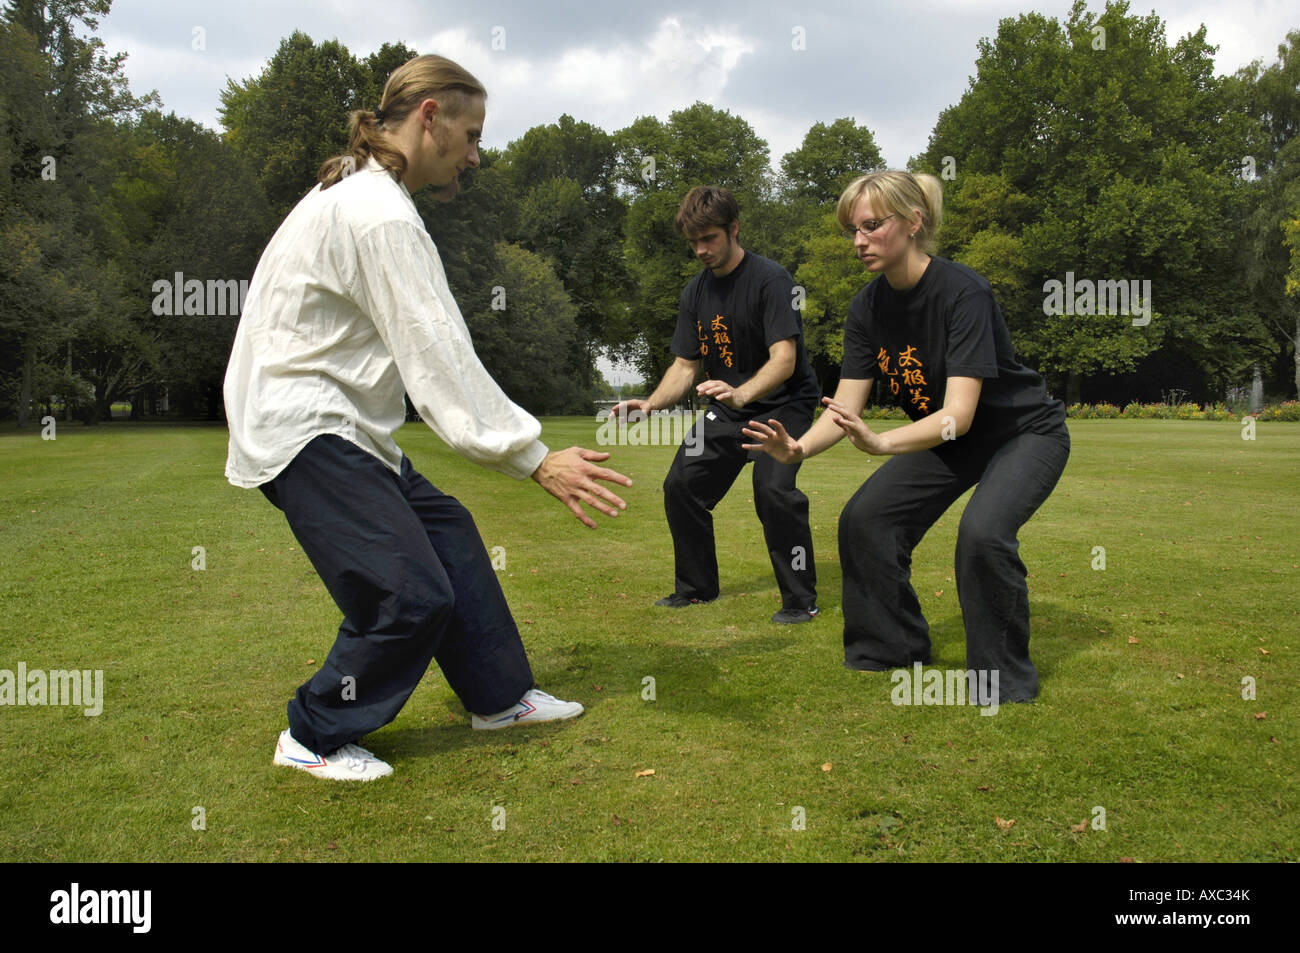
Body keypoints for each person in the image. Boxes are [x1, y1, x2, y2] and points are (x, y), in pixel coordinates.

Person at [223, 54, 632, 782]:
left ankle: (500, 698)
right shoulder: (377, 212)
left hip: (342, 422)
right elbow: (437, 354)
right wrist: (535, 457)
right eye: (470, 134)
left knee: (451, 537)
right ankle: (313, 732)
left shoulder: (359, 190)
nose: (474, 155)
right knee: (408, 593)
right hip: (304, 425)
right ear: (430, 116)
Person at [742, 171, 1069, 702]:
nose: (858, 241)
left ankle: (1002, 679)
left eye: (872, 226)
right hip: (950, 441)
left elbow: (958, 416)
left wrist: (882, 443)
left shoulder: (965, 293)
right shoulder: (866, 308)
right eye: (853, 229)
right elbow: (845, 406)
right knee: (865, 519)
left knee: (983, 535)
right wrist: (799, 448)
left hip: (1022, 433)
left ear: (914, 222)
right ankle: (891, 647)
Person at [612, 185, 820, 624]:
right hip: (728, 410)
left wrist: (743, 393)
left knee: (773, 489)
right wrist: (650, 405)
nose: (701, 250)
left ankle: (800, 600)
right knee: (681, 485)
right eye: (694, 243)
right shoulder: (695, 293)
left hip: (783, 405)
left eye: (710, 239)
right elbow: (685, 367)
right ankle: (695, 589)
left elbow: (785, 359)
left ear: (734, 229)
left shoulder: (771, 280)